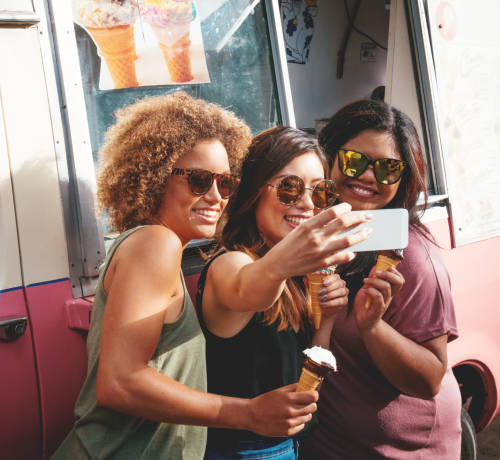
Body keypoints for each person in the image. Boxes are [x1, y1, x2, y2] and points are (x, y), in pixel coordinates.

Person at [52, 92, 326, 460]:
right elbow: (119, 384)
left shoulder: (158, 246)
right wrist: (248, 413)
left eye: (225, 183)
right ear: (154, 176)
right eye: (199, 180)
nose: (216, 196)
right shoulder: (156, 242)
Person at [196, 126, 380, 459]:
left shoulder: (297, 272)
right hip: (240, 450)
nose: (308, 204)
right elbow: (245, 289)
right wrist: (291, 263)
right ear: (253, 191)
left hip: (289, 447)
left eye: (320, 190)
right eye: (290, 187)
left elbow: (308, 380)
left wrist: (327, 319)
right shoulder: (232, 262)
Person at [300, 99, 462, 459]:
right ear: (327, 156)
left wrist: (372, 326)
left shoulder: (413, 257)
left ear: (403, 178)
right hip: (330, 443)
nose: (369, 177)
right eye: (354, 161)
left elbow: (430, 378)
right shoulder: (322, 230)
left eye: (388, 168)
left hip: (401, 450)